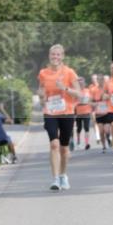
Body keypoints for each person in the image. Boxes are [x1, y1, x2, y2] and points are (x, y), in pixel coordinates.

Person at [37, 44, 83, 190]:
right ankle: (55, 179)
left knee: (64, 148)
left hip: (67, 113)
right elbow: (41, 91)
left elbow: (79, 94)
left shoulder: (69, 72)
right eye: (53, 54)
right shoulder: (43, 73)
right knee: (54, 144)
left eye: (58, 54)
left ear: (62, 56)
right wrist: (41, 97)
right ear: (49, 56)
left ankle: (63, 175)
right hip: (50, 113)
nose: (55, 57)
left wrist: (65, 88)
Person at [74, 77, 92, 150]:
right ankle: (78, 142)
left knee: (86, 128)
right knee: (79, 128)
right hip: (78, 113)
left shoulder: (88, 91)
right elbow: (73, 101)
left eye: (82, 83)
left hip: (87, 111)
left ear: (84, 83)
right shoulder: (75, 92)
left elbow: (91, 99)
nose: (81, 84)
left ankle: (87, 143)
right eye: (79, 83)